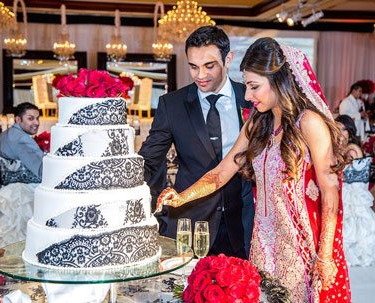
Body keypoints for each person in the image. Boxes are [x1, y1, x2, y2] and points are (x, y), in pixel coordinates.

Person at [157, 37, 351, 302]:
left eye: (254, 87)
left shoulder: (310, 124)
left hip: (300, 244)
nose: (247, 96)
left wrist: (325, 254)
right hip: (262, 240)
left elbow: (330, 190)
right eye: (247, 86)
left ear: (279, 82)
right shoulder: (258, 124)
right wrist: (181, 197)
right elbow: (222, 172)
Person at [139, 26, 254, 259]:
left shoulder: (252, 99)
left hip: (243, 220)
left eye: (209, 66)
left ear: (228, 59)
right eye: (193, 66)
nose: (200, 75)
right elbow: (149, 161)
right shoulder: (172, 105)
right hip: (191, 221)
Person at [335, 115, 375, 267]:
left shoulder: (352, 149)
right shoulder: (346, 147)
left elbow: (342, 170)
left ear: (349, 131)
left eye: (342, 130)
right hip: (349, 189)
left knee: (352, 222)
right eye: (336, 129)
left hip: (352, 192)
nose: (339, 133)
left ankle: (354, 253)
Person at [0, 102, 44, 188]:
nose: (36, 123)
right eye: (30, 119)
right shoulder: (22, 139)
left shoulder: (3, 135)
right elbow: (42, 170)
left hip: (2, 193)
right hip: (24, 195)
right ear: (18, 120)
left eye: (37, 118)